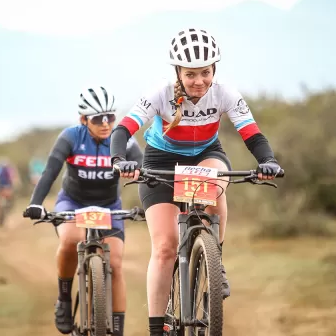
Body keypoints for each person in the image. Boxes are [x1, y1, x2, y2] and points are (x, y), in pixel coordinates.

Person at [109, 28, 283, 336]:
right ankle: (156, 327)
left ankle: (215, 261)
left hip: (206, 155)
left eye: (205, 72)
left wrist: (267, 161)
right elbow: (122, 129)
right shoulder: (160, 93)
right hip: (161, 162)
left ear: (214, 69)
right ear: (178, 71)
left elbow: (252, 134)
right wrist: (119, 160)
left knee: (214, 184)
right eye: (191, 74)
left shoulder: (225, 93)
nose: (199, 81)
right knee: (164, 247)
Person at [23, 86, 144, 336]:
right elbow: (50, 172)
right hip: (73, 202)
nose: (105, 124)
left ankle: (117, 329)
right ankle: (65, 300)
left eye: (110, 117)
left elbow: (146, 172)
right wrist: (36, 203)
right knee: (70, 240)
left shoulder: (124, 140)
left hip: (109, 206)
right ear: (83, 120)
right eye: (98, 118)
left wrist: (149, 204)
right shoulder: (70, 137)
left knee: (117, 263)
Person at [0, 156, 21, 225]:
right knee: (3, 200)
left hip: (3, 187)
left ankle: (3, 212)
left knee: (6, 200)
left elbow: (14, 177)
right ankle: (1, 211)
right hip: (3, 187)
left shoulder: (3, 168)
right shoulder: (3, 168)